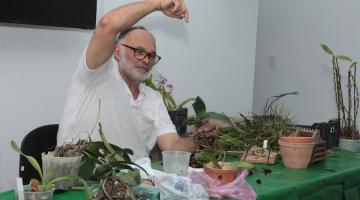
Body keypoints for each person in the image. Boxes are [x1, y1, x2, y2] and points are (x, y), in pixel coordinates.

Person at [57, 0, 221, 160]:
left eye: (151, 55)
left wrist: (202, 138)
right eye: (139, 51)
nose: (146, 60)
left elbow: (173, 146)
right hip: (79, 180)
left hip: (133, 183)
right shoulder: (97, 73)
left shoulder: (153, 99)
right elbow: (107, 24)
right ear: (117, 52)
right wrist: (157, 3)